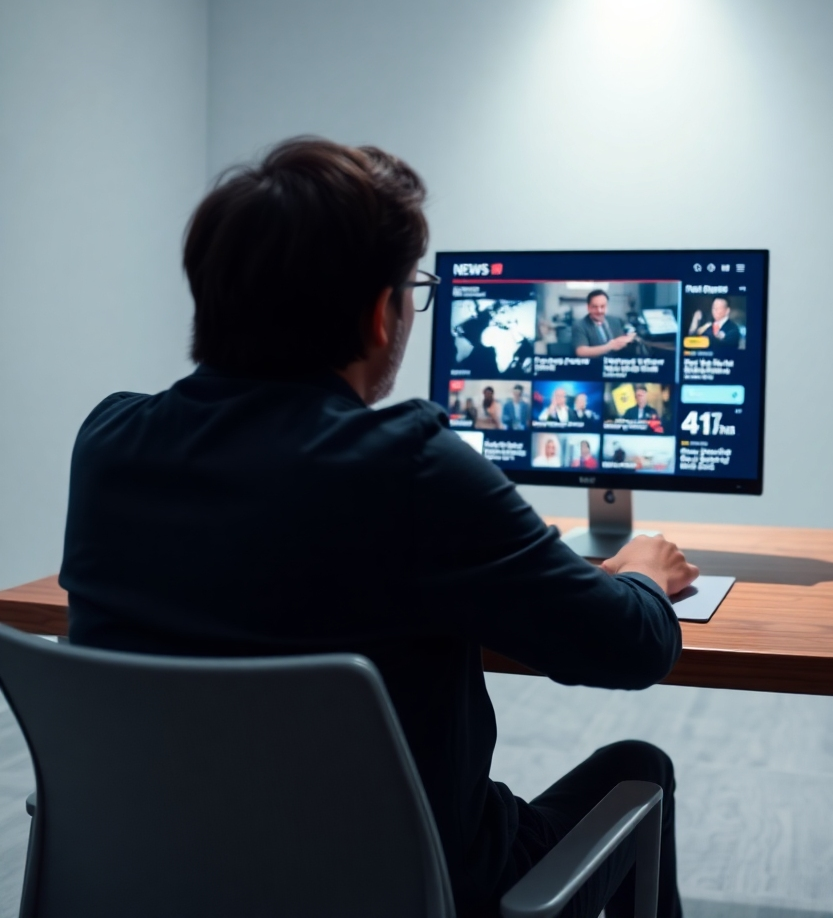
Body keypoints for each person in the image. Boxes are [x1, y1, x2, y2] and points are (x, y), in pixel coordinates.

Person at [59, 138, 697, 918]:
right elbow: (629, 648)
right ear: (378, 312)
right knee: (640, 768)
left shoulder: (108, 442)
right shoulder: (413, 467)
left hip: (153, 877)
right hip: (403, 888)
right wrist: (640, 575)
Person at [572, 290, 637, 358]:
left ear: (607, 307)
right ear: (588, 308)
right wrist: (609, 346)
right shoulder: (579, 325)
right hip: (595, 366)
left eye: (602, 306)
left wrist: (628, 338)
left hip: (617, 364)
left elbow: (631, 332)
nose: (599, 311)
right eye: (595, 307)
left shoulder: (616, 320)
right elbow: (581, 352)